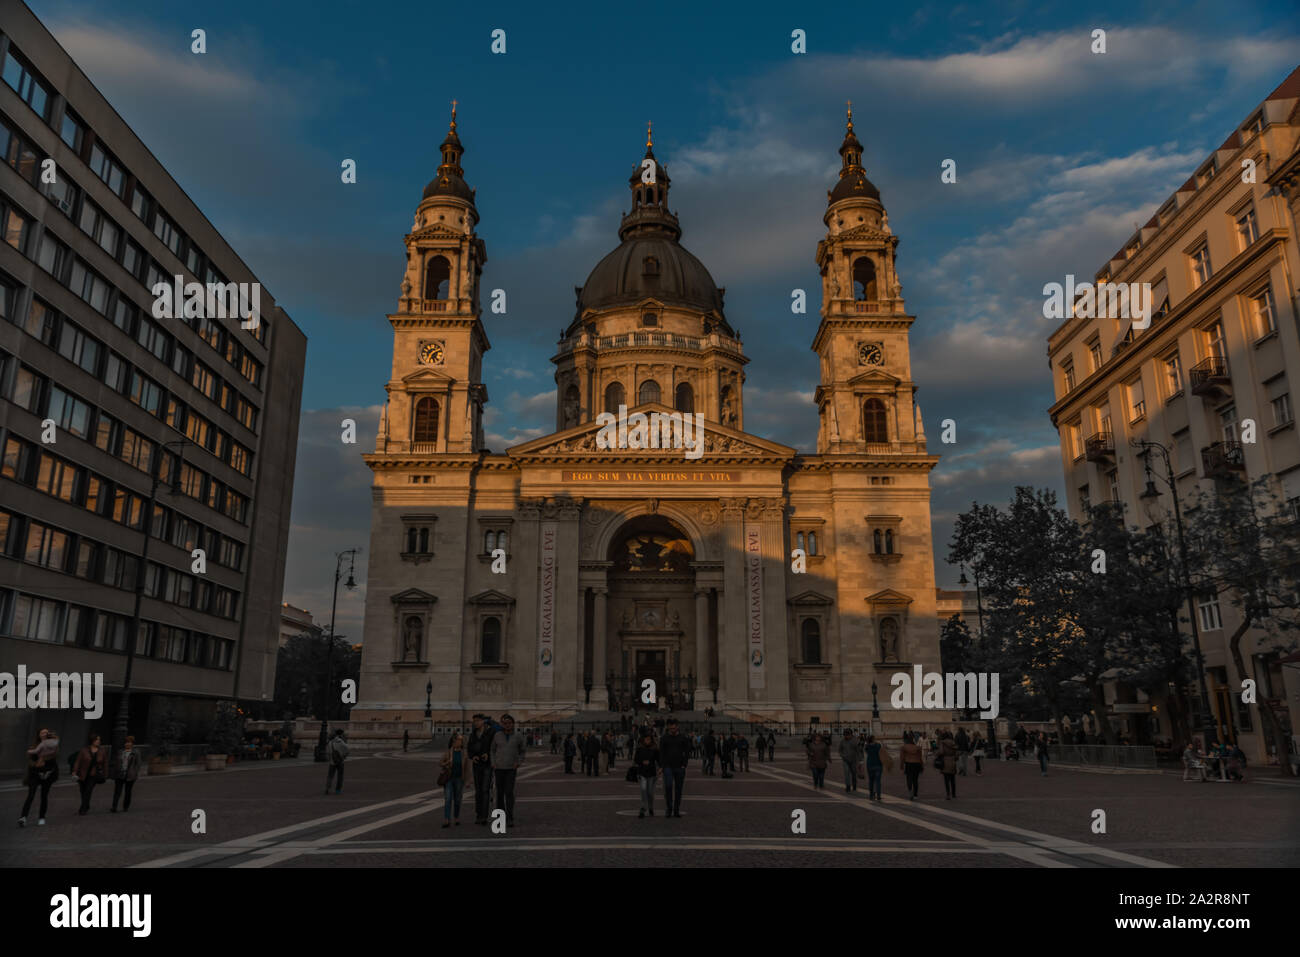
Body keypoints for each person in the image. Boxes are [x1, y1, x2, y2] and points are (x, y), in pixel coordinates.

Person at [490, 714, 525, 826]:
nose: (507, 725)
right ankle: (500, 818)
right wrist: (493, 763)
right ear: (502, 724)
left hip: (511, 769)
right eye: (505, 723)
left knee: (509, 792)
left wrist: (518, 763)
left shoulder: (518, 736)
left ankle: (509, 817)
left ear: (513, 724)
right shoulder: (497, 735)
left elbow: (523, 751)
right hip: (499, 768)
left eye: (509, 723)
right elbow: (492, 750)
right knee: (499, 794)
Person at [19, 729, 59, 827]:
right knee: (31, 795)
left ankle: (41, 817)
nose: (44, 734)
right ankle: (23, 817)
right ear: (39, 735)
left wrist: (48, 771)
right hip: (35, 774)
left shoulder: (53, 745)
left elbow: (54, 760)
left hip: (48, 774)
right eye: (42, 732)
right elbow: (30, 761)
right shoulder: (35, 746)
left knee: (44, 796)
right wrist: (37, 765)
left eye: (46, 732)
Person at [468, 714, 496, 825]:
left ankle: (484, 816)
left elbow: (494, 747)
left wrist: (488, 754)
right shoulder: (473, 734)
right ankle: (478, 814)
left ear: (483, 721)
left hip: (487, 765)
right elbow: (469, 748)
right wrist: (472, 756)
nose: (475, 723)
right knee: (478, 791)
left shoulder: (491, 733)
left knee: (485, 790)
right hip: (477, 764)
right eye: (474, 721)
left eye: (477, 721)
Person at [659, 718, 689, 818]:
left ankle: (676, 809)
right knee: (668, 786)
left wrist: (684, 764)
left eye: (674, 727)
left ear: (677, 727)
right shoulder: (664, 738)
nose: (672, 729)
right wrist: (662, 766)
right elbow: (661, 753)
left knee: (678, 789)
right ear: (668, 727)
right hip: (668, 767)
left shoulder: (683, 738)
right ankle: (669, 808)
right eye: (671, 727)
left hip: (679, 767)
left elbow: (687, 752)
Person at [73, 733, 108, 815]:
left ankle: (83, 809)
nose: (99, 741)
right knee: (83, 791)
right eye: (97, 739)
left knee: (88, 791)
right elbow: (78, 761)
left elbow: (105, 763)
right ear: (92, 740)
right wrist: (74, 771)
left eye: (99, 740)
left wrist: (105, 775)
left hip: (94, 775)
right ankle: (86, 805)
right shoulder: (84, 750)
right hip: (82, 774)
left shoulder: (102, 751)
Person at [440, 732, 469, 828]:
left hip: (459, 779)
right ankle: (446, 819)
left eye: (461, 740)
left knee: (457, 799)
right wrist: (448, 762)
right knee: (448, 799)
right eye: (459, 740)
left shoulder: (464, 753)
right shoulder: (448, 752)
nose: (460, 742)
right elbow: (440, 763)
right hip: (449, 778)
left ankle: (456, 817)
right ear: (454, 741)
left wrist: (468, 781)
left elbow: (467, 768)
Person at [109, 736, 141, 813]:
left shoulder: (135, 752)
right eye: (126, 742)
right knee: (117, 791)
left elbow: (138, 764)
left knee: (128, 791)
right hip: (120, 774)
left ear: (132, 743)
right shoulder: (120, 752)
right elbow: (116, 762)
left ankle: (125, 806)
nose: (127, 744)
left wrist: (135, 773)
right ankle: (114, 807)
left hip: (130, 775)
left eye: (129, 742)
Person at [634, 732, 660, 818]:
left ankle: (651, 807)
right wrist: (642, 761)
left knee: (650, 792)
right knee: (643, 789)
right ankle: (643, 807)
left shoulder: (654, 748)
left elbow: (659, 759)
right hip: (642, 772)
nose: (647, 741)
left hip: (651, 773)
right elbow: (636, 759)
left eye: (649, 739)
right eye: (646, 739)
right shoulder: (640, 748)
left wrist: (660, 768)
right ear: (643, 739)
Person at [901, 731, 924, 800]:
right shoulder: (917, 747)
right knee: (915, 780)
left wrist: (901, 765)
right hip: (917, 764)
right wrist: (922, 765)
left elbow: (902, 757)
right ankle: (915, 794)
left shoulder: (904, 747)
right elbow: (920, 757)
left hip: (909, 763)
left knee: (909, 779)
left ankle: (910, 792)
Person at [325, 729, 348, 794]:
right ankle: (338, 790)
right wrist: (344, 757)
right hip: (340, 761)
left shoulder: (330, 742)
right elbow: (347, 750)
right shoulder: (341, 742)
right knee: (340, 776)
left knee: (330, 776)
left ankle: (327, 788)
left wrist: (330, 759)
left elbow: (328, 752)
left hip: (332, 762)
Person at [864, 734, 884, 801]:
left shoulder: (867, 746)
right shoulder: (878, 745)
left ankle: (871, 795)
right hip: (878, 764)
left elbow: (866, 751)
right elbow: (882, 750)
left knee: (871, 781)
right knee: (878, 781)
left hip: (870, 765)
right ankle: (878, 795)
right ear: (873, 739)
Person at [940, 731, 957, 800]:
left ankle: (948, 794)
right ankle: (954, 793)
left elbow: (941, 752)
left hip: (945, 760)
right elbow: (956, 751)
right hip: (952, 760)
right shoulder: (953, 742)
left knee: (946, 779)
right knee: (953, 778)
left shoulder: (942, 742)